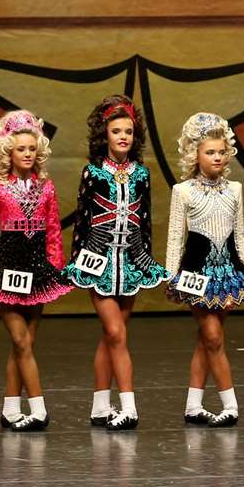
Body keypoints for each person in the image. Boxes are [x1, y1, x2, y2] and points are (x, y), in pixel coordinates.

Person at [63, 94, 170, 431]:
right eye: (116, 131)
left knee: (112, 337)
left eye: (128, 131)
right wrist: (79, 260)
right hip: (100, 262)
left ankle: (99, 405)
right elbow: (83, 219)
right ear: (104, 135)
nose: (123, 136)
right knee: (114, 331)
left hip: (132, 261)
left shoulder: (142, 173)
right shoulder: (93, 172)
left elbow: (145, 220)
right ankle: (128, 406)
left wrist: (146, 260)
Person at [0, 110, 70, 431]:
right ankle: (39, 408)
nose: (28, 154)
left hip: (37, 268)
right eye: (21, 149)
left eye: (32, 149)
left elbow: (54, 229)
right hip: (7, 266)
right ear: (9, 152)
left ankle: (10, 408)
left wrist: (55, 266)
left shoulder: (47, 188)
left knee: (25, 343)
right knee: (20, 341)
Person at [166, 112, 244, 427]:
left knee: (207, 339)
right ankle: (230, 404)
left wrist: (243, 271)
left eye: (220, 151)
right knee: (213, 336)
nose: (217, 157)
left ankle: (193, 405)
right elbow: (176, 238)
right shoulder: (183, 191)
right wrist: (171, 276)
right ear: (195, 155)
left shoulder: (235, 189)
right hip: (194, 274)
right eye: (209, 152)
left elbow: (239, 235)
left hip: (227, 273)